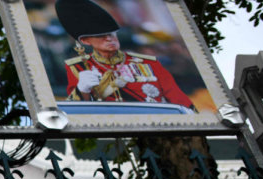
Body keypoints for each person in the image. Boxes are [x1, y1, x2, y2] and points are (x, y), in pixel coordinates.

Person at [55, 0, 194, 109]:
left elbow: (180, 100)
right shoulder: (78, 67)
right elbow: (75, 112)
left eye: (111, 34)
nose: (109, 38)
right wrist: (82, 90)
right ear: (86, 41)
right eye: (100, 35)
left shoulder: (149, 63)